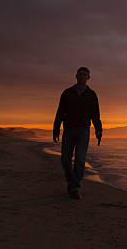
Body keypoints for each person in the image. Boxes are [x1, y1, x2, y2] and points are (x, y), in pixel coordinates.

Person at [53, 66, 103, 199]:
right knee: (65, 159)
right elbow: (60, 112)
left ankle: (75, 187)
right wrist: (56, 129)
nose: (82, 76)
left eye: (84, 75)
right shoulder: (67, 93)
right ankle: (71, 182)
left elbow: (95, 115)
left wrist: (99, 130)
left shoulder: (91, 94)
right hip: (69, 129)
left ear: (88, 77)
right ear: (76, 76)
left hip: (84, 130)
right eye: (80, 74)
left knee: (80, 159)